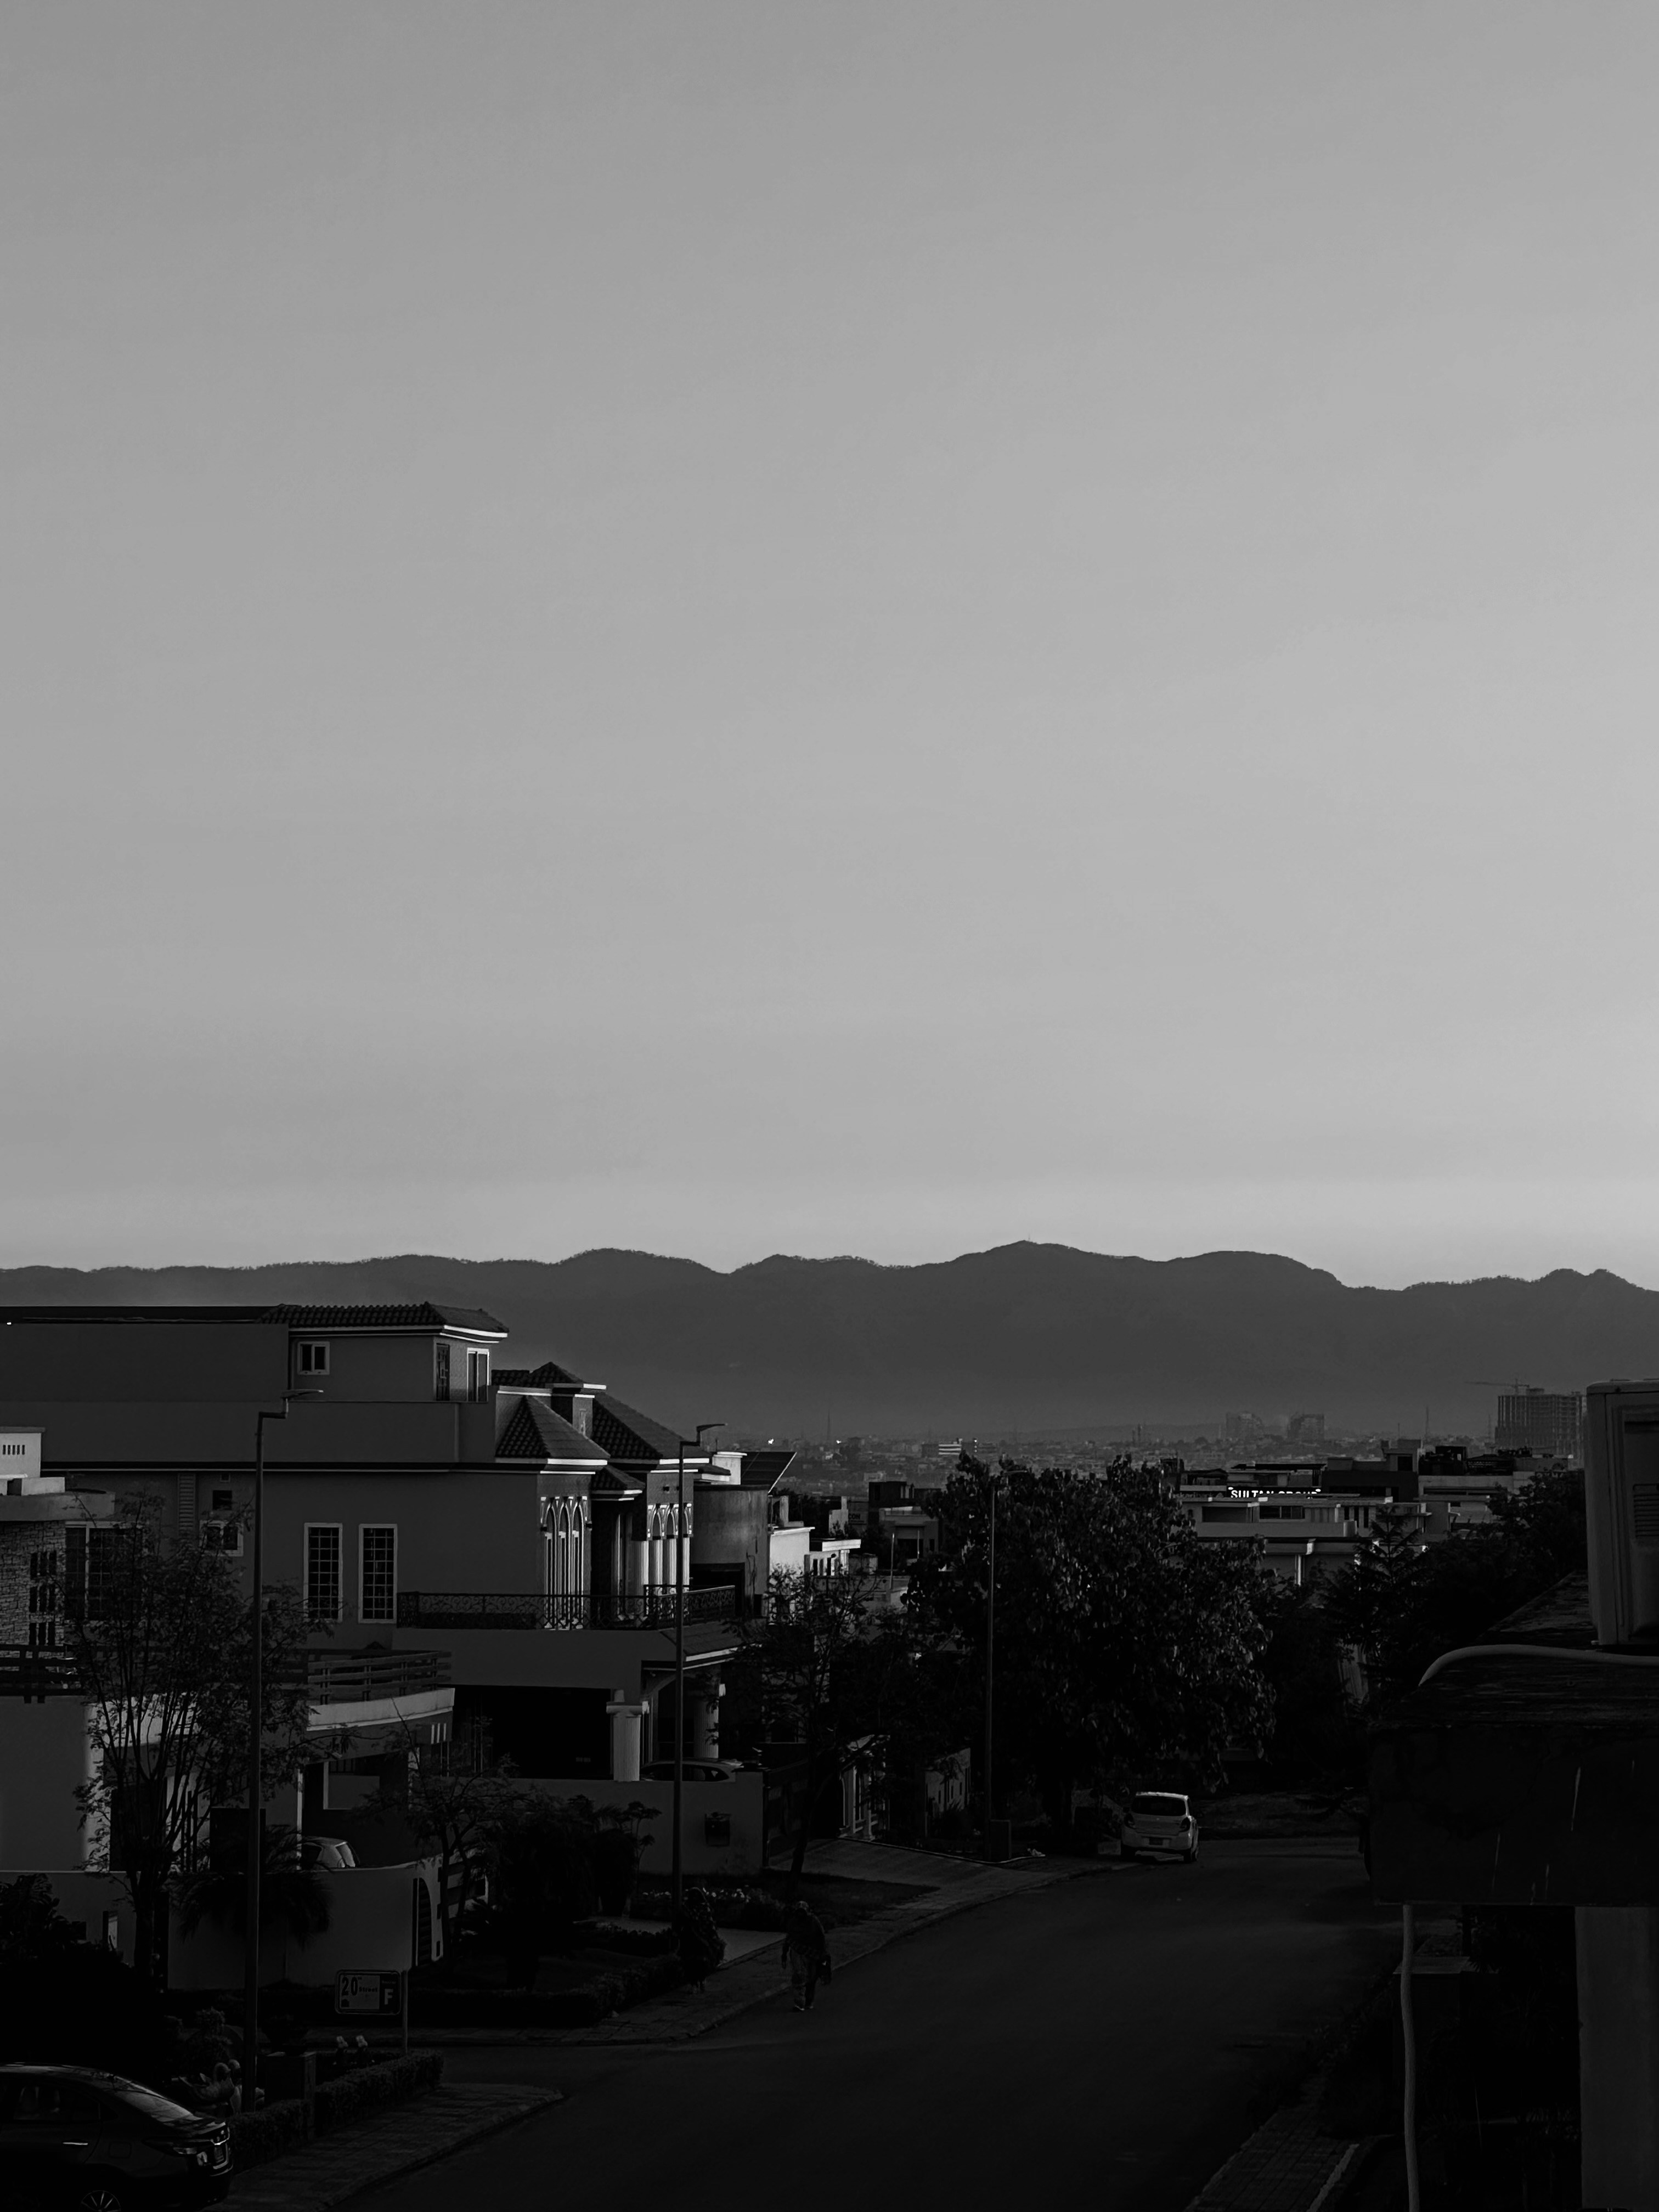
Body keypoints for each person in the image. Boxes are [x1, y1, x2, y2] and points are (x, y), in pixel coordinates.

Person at [780, 1900, 831, 2013]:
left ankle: (809, 2000)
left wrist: (823, 1954)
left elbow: (821, 1937)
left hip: (813, 1952)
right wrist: (784, 1954)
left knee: (811, 1978)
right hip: (797, 1950)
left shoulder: (814, 1922)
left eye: (802, 1912)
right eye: (798, 1912)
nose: (800, 1915)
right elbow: (789, 1938)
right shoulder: (793, 1922)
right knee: (799, 1974)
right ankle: (799, 2003)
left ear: (807, 1912)